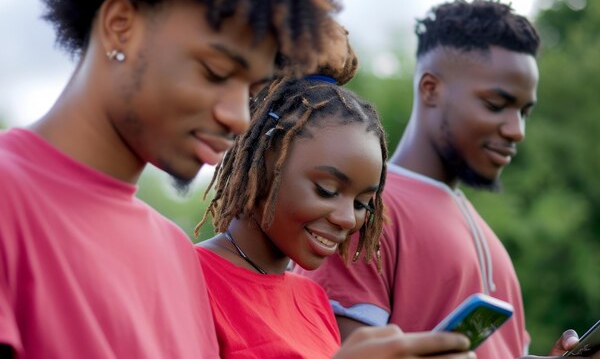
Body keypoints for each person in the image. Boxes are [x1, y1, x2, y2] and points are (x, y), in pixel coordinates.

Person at [0, 0, 350, 358]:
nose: (238, 117)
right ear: (121, 25)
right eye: (216, 72)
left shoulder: (175, 254)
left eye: (251, 91)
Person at [295, 0, 592, 359]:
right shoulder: (360, 211)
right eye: (497, 105)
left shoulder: (486, 236)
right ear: (431, 88)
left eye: (524, 112)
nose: (517, 131)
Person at [195, 27, 476, 359]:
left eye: (362, 204)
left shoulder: (313, 300)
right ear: (265, 162)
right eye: (327, 190)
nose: (347, 219)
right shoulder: (189, 277)